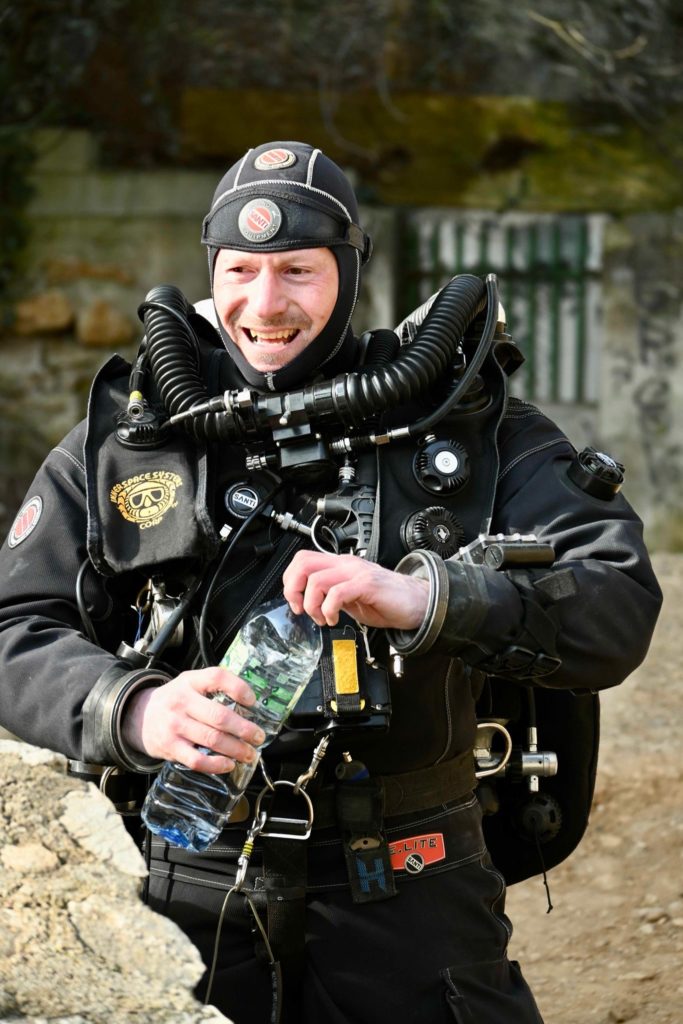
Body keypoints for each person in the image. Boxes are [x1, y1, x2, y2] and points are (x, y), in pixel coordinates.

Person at [0, 140, 662, 1023]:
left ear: (349, 271)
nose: (265, 303)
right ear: (211, 271)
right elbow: (14, 627)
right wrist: (135, 708)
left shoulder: (461, 423)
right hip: (183, 879)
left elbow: (616, 602)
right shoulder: (137, 439)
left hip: (412, 879)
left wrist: (431, 599)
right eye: (240, 270)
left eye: (298, 270)